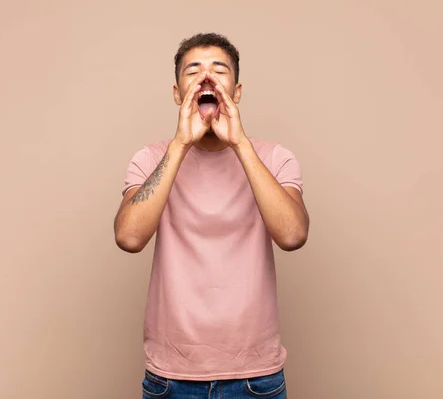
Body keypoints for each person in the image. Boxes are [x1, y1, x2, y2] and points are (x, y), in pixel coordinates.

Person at [114, 32, 309, 399]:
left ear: (236, 91)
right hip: (170, 378)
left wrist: (240, 143)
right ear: (177, 93)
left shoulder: (275, 157)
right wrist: (180, 144)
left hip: (257, 378)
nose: (206, 78)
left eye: (219, 70)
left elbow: (292, 235)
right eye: (194, 71)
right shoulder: (149, 158)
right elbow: (129, 238)